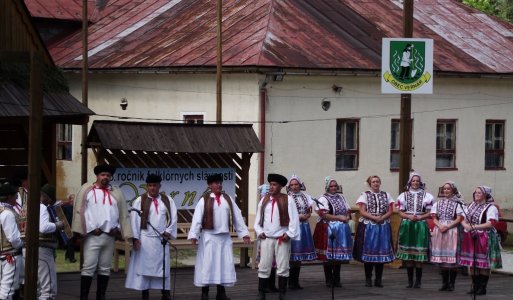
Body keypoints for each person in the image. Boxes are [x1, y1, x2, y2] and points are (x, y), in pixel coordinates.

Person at [72, 164, 133, 300]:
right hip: (93, 235)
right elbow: (82, 211)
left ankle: (101, 296)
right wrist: (92, 228)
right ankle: (84, 297)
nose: (105, 177)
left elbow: (121, 212)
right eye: (103, 175)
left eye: (108, 175)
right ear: (97, 176)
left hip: (109, 236)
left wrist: (117, 227)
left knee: (105, 268)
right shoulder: (87, 190)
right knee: (88, 267)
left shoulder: (115, 192)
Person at [188, 174, 251, 300]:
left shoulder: (227, 199)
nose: (219, 185)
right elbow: (197, 219)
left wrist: (244, 233)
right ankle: (204, 293)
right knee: (207, 265)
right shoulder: (204, 200)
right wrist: (194, 235)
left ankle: (221, 293)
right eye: (216, 183)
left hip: (224, 238)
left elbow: (237, 216)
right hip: (208, 238)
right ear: (210, 185)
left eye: (220, 182)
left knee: (222, 265)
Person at [126, 174, 177, 300]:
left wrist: (168, 232)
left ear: (159, 186)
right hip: (145, 240)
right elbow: (134, 220)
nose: (152, 188)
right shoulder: (140, 200)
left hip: (161, 240)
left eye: (155, 185)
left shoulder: (167, 200)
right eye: (150, 185)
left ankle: (165, 293)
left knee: (163, 268)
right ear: (147, 186)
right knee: (144, 268)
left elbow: (173, 218)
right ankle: (145, 293)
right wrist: (135, 238)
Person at [254, 173, 300, 300]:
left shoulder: (288, 199)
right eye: (270, 184)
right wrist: (259, 231)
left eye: (274, 185)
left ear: (280, 186)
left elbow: (294, 219)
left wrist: (289, 234)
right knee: (264, 266)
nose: (271, 187)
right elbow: (258, 220)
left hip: (282, 239)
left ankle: (282, 294)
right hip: (267, 238)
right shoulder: (264, 200)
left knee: (283, 266)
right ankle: (261, 293)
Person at [353, 175, 395, 288]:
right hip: (369, 226)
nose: (376, 183)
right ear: (370, 184)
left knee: (380, 253)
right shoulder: (364, 195)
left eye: (377, 181)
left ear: (380, 183)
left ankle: (378, 279)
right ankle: (368, 279)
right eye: (373, 182)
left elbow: (391, 210)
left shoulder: (386, 195)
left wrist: (382, 217)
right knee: (369, 252)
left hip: (382, 226)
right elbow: (362, 210)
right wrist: (374, 217)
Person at [460, 186, 502, 295]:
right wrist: (466, 225)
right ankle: (475, 286)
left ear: (485, 195)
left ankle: (482, 288)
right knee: (473, 262)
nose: (476, 194)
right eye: (476, 192)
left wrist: (474, 227)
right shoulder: (471, 205)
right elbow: (462, 218)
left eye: (479, 193)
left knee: (483, 263)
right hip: (470, 236)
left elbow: (491, 223)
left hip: (484, 236)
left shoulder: (491, 207)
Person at [396, 172, 434, 288]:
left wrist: (420, 217)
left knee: (419, 253)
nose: (415, 182)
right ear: (410, 182)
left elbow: (430, 213)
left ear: (420, 182)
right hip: (408, 224)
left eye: (417, 181)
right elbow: (400, 211)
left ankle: (418, 281)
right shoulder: (403, 195)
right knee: (409, 253)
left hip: (421, 224)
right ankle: (409, 281)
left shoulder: (427, 196)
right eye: (413, 181)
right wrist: (408, 216)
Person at [313, 177, 353, 288]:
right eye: (331, 186)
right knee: (329, 255)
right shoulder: (323, 198)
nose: (334, 188)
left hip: (341, 228)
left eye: (335, 186)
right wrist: (338, 217)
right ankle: (329, 279)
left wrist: (347, 217)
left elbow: (348, 211)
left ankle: (337, 278)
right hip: (328, 227)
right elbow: (323, 214)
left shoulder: (341, 197)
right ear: (327, 187)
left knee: (338, 255)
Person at [430, 181, 464, 292]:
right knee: (442, 257)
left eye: (448, 189)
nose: (446, 191)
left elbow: (459, 218)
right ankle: (444, 283)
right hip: (440, 230)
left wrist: (447, 227)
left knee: (451, 257)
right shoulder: (438, 203)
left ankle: (452, 284)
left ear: (453, 190)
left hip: (452, 230)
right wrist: (440, 226)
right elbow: (434, 217)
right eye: (444, 189)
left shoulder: (458, 204)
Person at [286, 175, 316, 290]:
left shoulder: (306, 197)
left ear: (300, 185)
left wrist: (307, 216)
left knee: (299, 256)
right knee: (292, 254)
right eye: (292, 185)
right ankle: (289, 281)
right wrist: (298, 216)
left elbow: (309, 211)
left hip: (303, 227)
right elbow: (286, 213)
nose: (294, 187)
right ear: (289, 186)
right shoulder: (287, 197)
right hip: (293, 227)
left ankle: (295, 281)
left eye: (296, 184)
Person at [38, 184, 65, 300]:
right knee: (48, 290)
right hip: (43, 249)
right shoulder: (42, 207)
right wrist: (59, 225)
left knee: (38, 289)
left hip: (29, 249)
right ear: (46, 197)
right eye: (49, 199)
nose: (49, 202)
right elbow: (43, 228)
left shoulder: (27, 206)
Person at [0, 183, 24, 300]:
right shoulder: (8, 213)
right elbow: (14, 239)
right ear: (9, 196)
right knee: (7, 291)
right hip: (11, 255)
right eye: (15, 195)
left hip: (3, 255)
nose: (16, 198)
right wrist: (24, 243)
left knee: (6, 288)